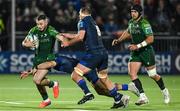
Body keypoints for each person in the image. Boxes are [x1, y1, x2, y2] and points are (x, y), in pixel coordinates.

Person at [61, 7, 130, 109]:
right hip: (103, 53)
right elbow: (81, 34)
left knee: (75, 74)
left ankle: (88, 94)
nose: (79, 16)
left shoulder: (82, 21)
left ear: (82, 13)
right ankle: (117, 99)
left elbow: (80, 37)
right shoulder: (93, 22)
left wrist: (68, 43)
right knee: (104, 79)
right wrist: (67, 35)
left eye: (79, 14)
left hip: (93, 54)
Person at [112, 4, 170, 105]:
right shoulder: (131, 22)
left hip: (146, 51)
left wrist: (138, 46)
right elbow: (128, 32)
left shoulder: (144, 23)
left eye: (135, 12)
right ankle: (143, 96)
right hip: (136, 52)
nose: (133, 14)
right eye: (132, 12)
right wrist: (119, 40)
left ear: (139, 13)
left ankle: (165, 91)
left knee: (152, 75)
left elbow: (151, 39)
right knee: (132, 73)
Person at [20, 55, 140, 98]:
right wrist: (30, 72)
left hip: (86, 71)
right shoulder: (50, 60)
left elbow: (45, 65)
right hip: (84, 71)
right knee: (101, 91)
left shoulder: (54, 60)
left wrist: (34, 69)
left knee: (103, 88)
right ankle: (124, 92)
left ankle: (128, 88)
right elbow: (42, 67)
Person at [22, 14, 64, 108]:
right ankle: (47, 99)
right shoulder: (34, 30)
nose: (39, 26)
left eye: (41, 24)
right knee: (38, 81)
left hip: (48, 59)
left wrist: (63, 41)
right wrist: (26, 45)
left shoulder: (50, 29)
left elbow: (59, 36)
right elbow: (24, 42)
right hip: (37, 59)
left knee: (37, 80)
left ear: (46, 22)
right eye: (37, 24)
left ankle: (53, 84)